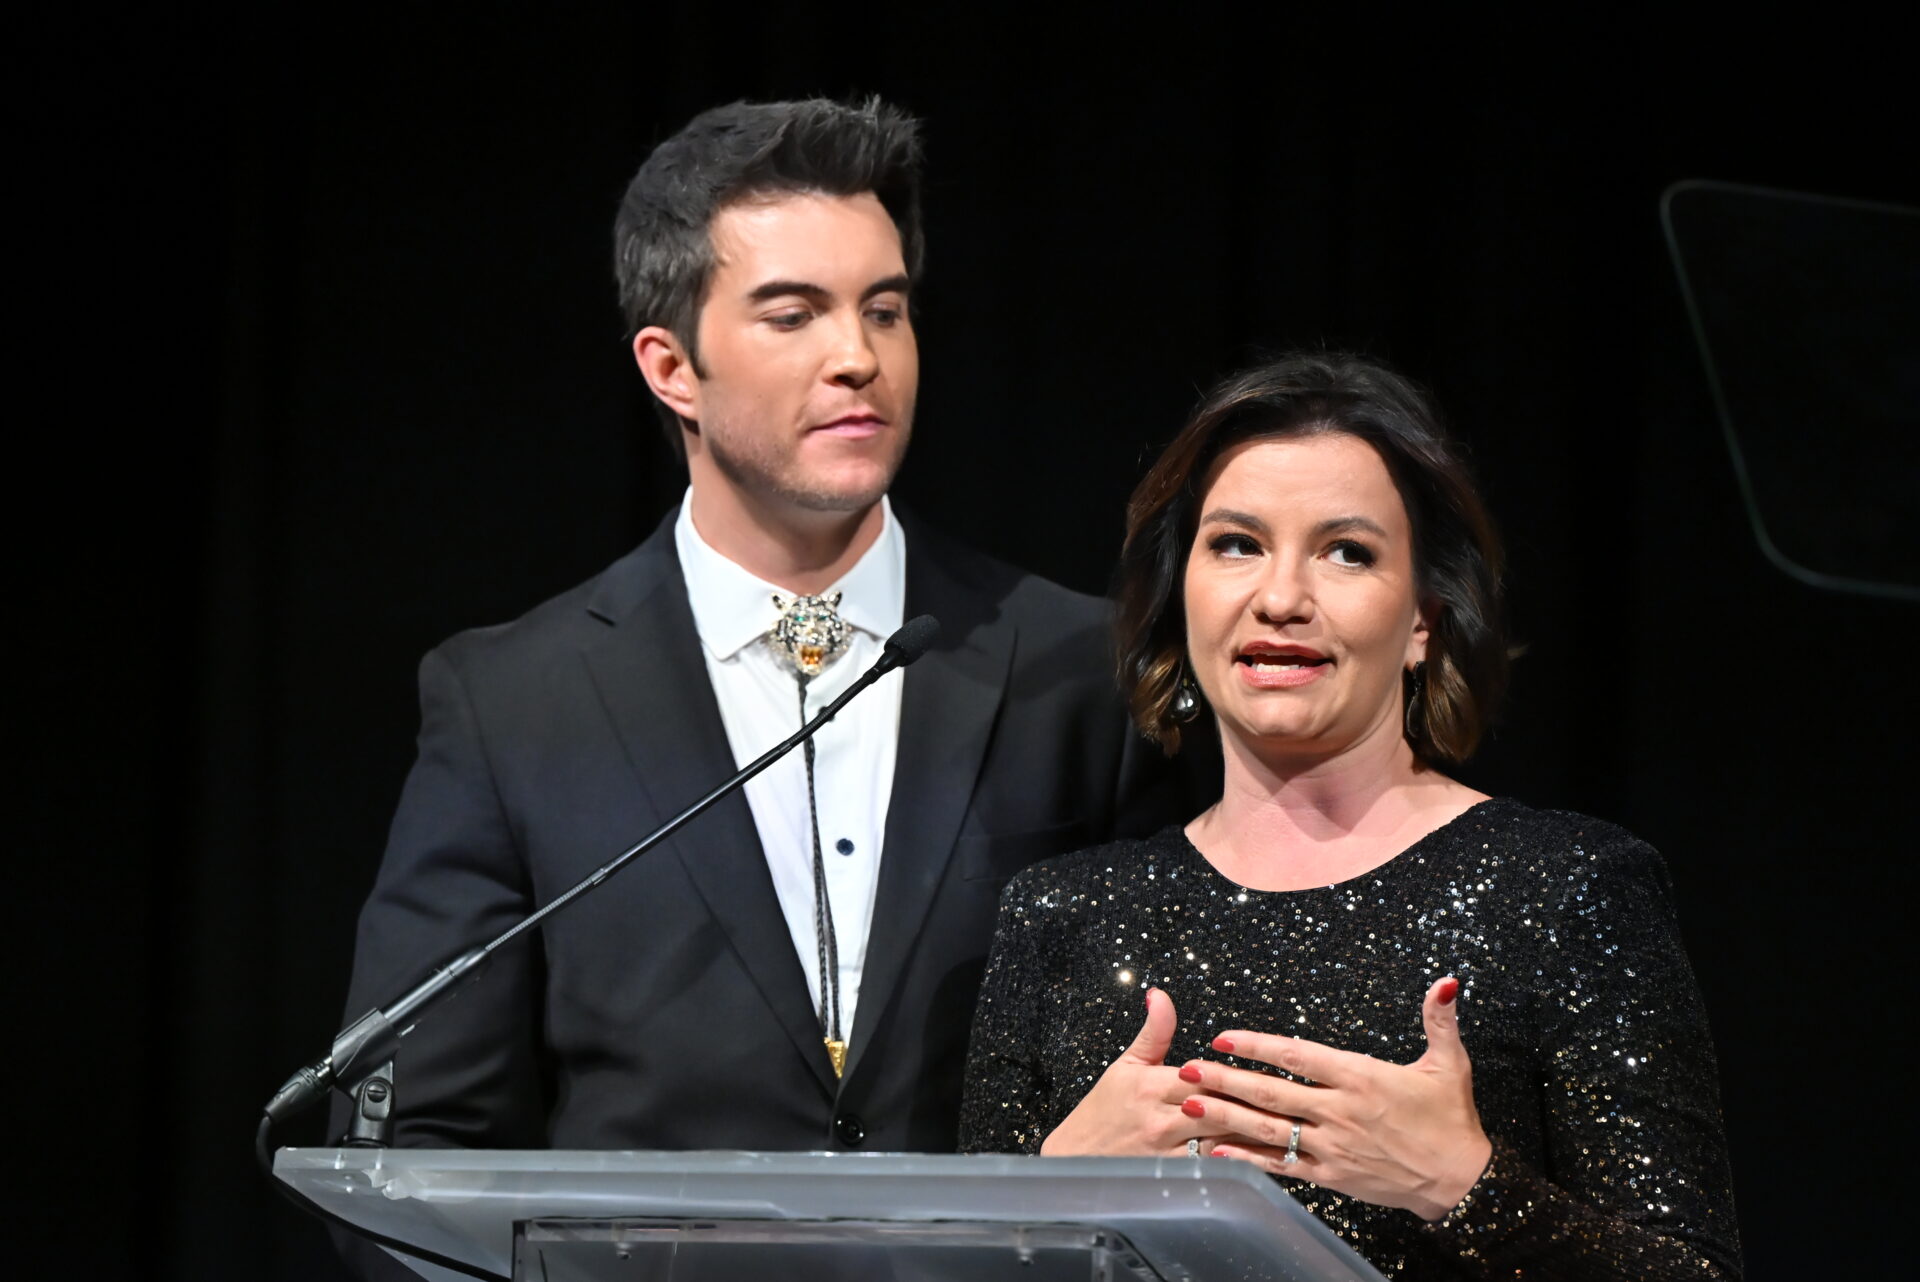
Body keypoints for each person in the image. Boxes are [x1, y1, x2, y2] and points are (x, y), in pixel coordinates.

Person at [335, 97, 1190, 1181]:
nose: (858, 357)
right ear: (671, 368)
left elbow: (1171, 1065)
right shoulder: (514, 700)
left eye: (885, 310)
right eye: (793, 316)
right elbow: (413, 1145)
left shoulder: (1077, 667)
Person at [960, 352, 1741, 1279]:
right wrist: (1049, 1191)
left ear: (1424, 619)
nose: (1280, 599)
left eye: (1347, 552)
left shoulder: (1567, 888)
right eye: (1237, 544)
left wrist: (1465, 1187)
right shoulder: (1061, 913)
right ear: (1179, 596)